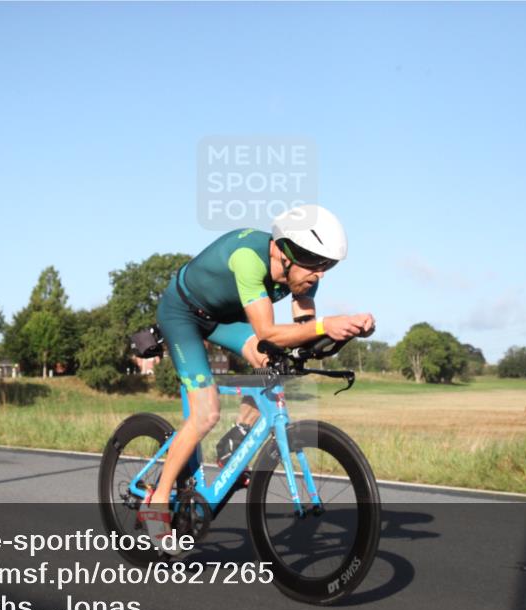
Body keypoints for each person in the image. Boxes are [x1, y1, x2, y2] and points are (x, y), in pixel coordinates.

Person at [138, 205, 375, 553]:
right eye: (315, 262)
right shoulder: (250, 259)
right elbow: (267, 330)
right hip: (184, 314)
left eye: (327, 265)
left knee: (275, 361)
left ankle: (233, 441)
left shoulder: (303, 276)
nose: (320, 275)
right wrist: (327, 324)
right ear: (283, 250)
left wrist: (348, 331)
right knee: (205, 414)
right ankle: (156, 504)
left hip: (224, 318)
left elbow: (301, 336)